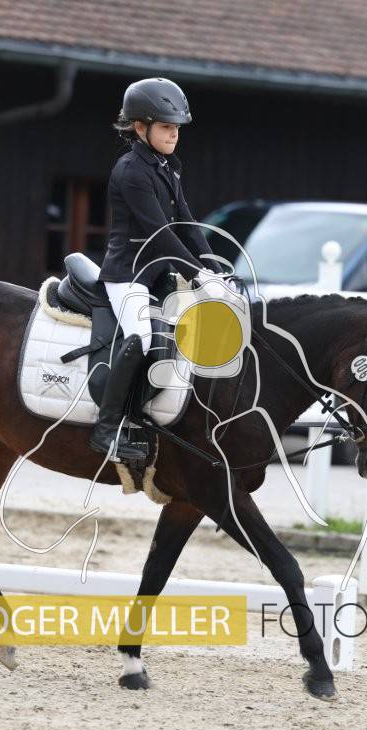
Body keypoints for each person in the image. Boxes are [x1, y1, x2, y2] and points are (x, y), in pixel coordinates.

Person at [90, 77, 224, 463]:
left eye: (177, 127)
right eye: (166, 127)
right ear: (140, 127)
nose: (174, 134)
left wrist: (214, 267)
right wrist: (197, 274)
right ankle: (106, 429)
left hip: (156, 273)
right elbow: (160, 233)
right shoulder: (131, 170)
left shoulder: (167, 166)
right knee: (143, 338)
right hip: (128, 274)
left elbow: (186, 224)